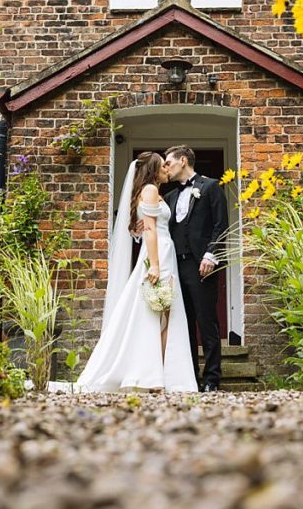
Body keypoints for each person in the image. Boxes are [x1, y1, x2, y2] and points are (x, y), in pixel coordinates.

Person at [64, 152, 198, 393]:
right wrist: (155, 265)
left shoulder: (151, 191)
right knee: (161, 313)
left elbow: (145, 226)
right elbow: (149, 230)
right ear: (153, 170)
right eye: (163, 166)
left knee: (161, 313)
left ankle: (159, 374)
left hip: (163, 251)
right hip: (159, 255)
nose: (167, 169)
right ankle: (155, 376)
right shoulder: (150, 190)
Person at [162, 145, 229, 392]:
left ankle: (212, 379)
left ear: (183, 160)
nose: (165, 168)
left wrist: (211, 255)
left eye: (168, 162)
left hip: (201, 264)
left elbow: (221, 225)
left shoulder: (210, 187)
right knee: (184, 323)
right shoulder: (168, 197)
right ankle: (191, 378)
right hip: (175, 266)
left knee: (207, 321)